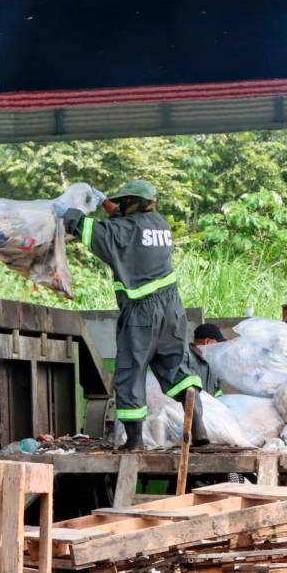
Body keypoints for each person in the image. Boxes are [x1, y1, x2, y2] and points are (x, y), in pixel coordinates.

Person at [56, 179, 206, 450]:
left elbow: (87, 229)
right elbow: (125, 223)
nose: (121, 207)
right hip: (172, 309)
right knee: (178, 369)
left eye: (125, 202)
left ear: (134, 203)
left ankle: (134, 442)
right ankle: (199, 431)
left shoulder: (121, 232)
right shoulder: (160, 224)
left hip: (141, 312)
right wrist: (104, 203)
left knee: (130, 373)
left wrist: (66, 212)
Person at [190, 323, 226, 397]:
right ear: (207, 342)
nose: (219, 350)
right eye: (218, 345)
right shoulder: (186, 360)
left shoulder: (211, 366)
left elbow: (218, 395)